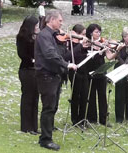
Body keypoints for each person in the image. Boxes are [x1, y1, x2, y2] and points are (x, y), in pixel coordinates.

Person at [35, 10, 77, 151]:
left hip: (55, 75)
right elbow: (49, 54)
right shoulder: (43, 35)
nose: (61, 23)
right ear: (51, 20)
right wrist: (66, 65)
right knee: (48, 108)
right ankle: (45, 140)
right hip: (46, 76)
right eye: (59, 20)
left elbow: (58, 53)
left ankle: (48, 134)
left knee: (53, 107)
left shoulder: (52, 35)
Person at [86, 24, 123, 127]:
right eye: (96, 32)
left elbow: (110, 57)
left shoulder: (103, 43)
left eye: (99, 32)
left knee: (102, 96)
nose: (99, 34)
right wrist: (97, 49)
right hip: (90, 72)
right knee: (91, 96)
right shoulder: (88, 44)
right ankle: (92, 119)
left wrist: (117, 50)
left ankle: (104, 120)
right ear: (90, 33)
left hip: (102, 72)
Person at [16, 16, 40, 135]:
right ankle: (26, 126)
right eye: (36, 26)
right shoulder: (23, 38)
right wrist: (33, 60)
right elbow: (22, 54)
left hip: (36, 70)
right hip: (27, 70)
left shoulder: (36, 37)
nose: (38, 28)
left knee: (35, 98)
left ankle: (34, 126)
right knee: (28, 98)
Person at [67, 24, 91, 128]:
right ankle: (75, 119)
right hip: (75, 72)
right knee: (76, 96)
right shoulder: (71, 43)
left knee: (84, 96)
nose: (84, 37)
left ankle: (83, 119)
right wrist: (80, 45)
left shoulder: (84, 44)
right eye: (83, 34)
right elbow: (71, 55)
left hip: (84, 71)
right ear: (76, 34)